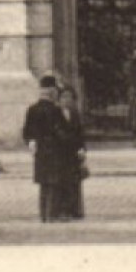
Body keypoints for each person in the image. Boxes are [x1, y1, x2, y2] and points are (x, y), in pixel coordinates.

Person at [21, 74, 70, 222]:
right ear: (51, 91)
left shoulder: (32, 109)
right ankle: (52, 214)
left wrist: (31, 143)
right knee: (55, 183)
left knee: (43, 184)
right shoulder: (55, 110)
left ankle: (43, 214)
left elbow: (26, 132)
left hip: (40, 150)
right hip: (54, 149)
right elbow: (61, 131)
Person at [56, 84, 88, 220]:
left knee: (75, 183)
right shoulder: (55, 114)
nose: (67, 100)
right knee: (62, 183)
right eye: (64, 97)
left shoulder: (75, 114)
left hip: (74, 153)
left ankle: (75, 210)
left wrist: (82, 149)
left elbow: (80, 134)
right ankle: (63, 210)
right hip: (61, 154)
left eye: (69, 97)